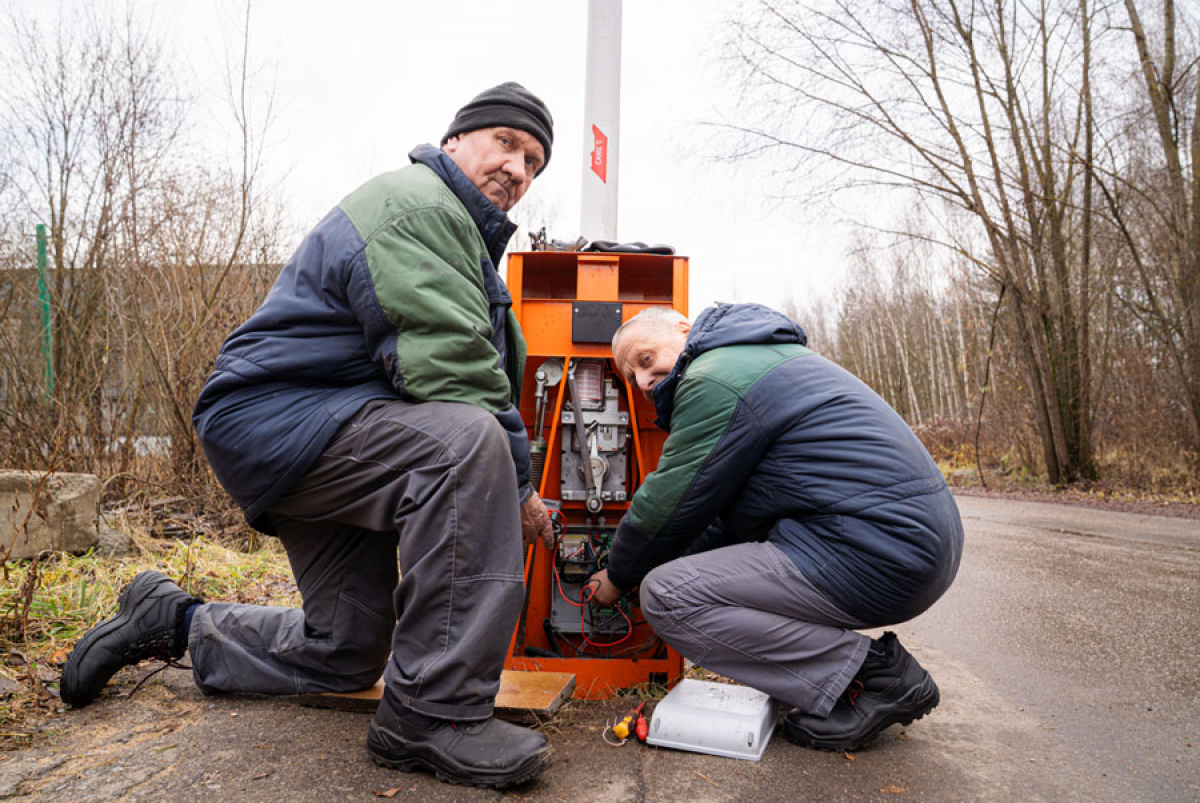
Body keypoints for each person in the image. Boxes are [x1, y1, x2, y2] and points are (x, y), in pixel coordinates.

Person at [60, 82, 559, 789]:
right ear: (454, 142)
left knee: (349, 650)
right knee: (467, 442)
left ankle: (173, 621)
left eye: (534, 162)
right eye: (505, 142)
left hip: (317, 434)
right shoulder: (418, 205)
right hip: (281, 419)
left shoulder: (458, 234)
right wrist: (520, 487)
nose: (518, 168)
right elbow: (454, 370)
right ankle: (433, 715)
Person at [587, 303, 963, 751]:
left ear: (684, 329)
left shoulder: (714, 376)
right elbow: (729, 523)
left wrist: (618, 576)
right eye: (634, 379)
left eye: (645, 360)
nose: (645, 382)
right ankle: (842, 674)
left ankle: (870, 678)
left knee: (667, 596)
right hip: (901, 543)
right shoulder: (753, 360)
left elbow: (669, 502)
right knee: (687, 580)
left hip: (879, 549)